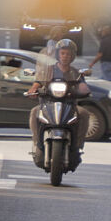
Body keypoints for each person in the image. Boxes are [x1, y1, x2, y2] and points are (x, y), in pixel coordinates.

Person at [26, 39, 91, 168]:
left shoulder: (75, 72)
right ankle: (36, 142)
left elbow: (83, 85)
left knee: (84, 113)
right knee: (34, 112)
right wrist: (34, 89)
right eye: (62, 53)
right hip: (49, 103)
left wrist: (84, 90)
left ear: (72, 56)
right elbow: (38, 82)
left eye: (68, 54)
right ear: (58, 55)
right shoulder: (49, 70)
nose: (65, 56)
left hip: (69, 104)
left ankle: (77, 146)